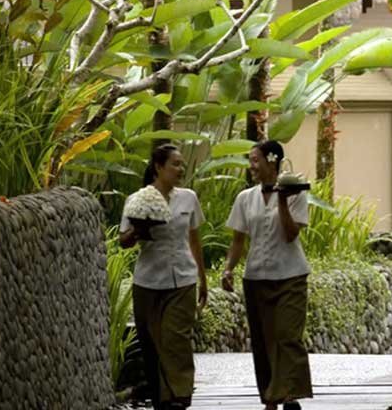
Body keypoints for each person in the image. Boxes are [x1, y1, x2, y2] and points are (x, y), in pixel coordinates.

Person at [221, 140, 312, 410]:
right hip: (256, 277)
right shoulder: (245, 198)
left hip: (291, 275)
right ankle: (273, 397)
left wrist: (282, 200)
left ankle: (286, 393)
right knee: (263, 340)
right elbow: (238, 240)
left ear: (272, 161)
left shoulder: (296, 194)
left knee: (287, 335)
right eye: (250, 160)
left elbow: (291, 234)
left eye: (255, 160)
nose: (251, 166)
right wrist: (228, 268)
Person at [120, 144, 207, 410]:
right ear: (159, 167)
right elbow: (124, 241)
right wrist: (140, 227)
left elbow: (194, 240)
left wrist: (203, 278)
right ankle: (162, 398)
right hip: (148, 281)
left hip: (183, 278)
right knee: (151, 343)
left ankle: (179, 396)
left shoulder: (189, 198)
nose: (181, 169)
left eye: (182, 165)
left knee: (176, 337)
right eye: (175, 164)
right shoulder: (136, 199)